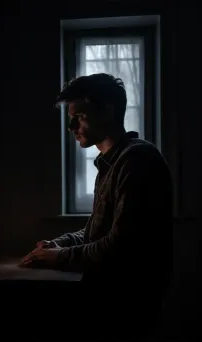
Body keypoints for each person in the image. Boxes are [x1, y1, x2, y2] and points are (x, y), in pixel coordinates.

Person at [20, 73, 173, 338]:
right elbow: (96, 231)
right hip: (110, 301)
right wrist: (60, 244)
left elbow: (120, 247)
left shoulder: (137, 161)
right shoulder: (111, 163)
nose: (71, 126)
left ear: (108, 111)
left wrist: (58, 257)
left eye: (79, 116)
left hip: (128, 308)